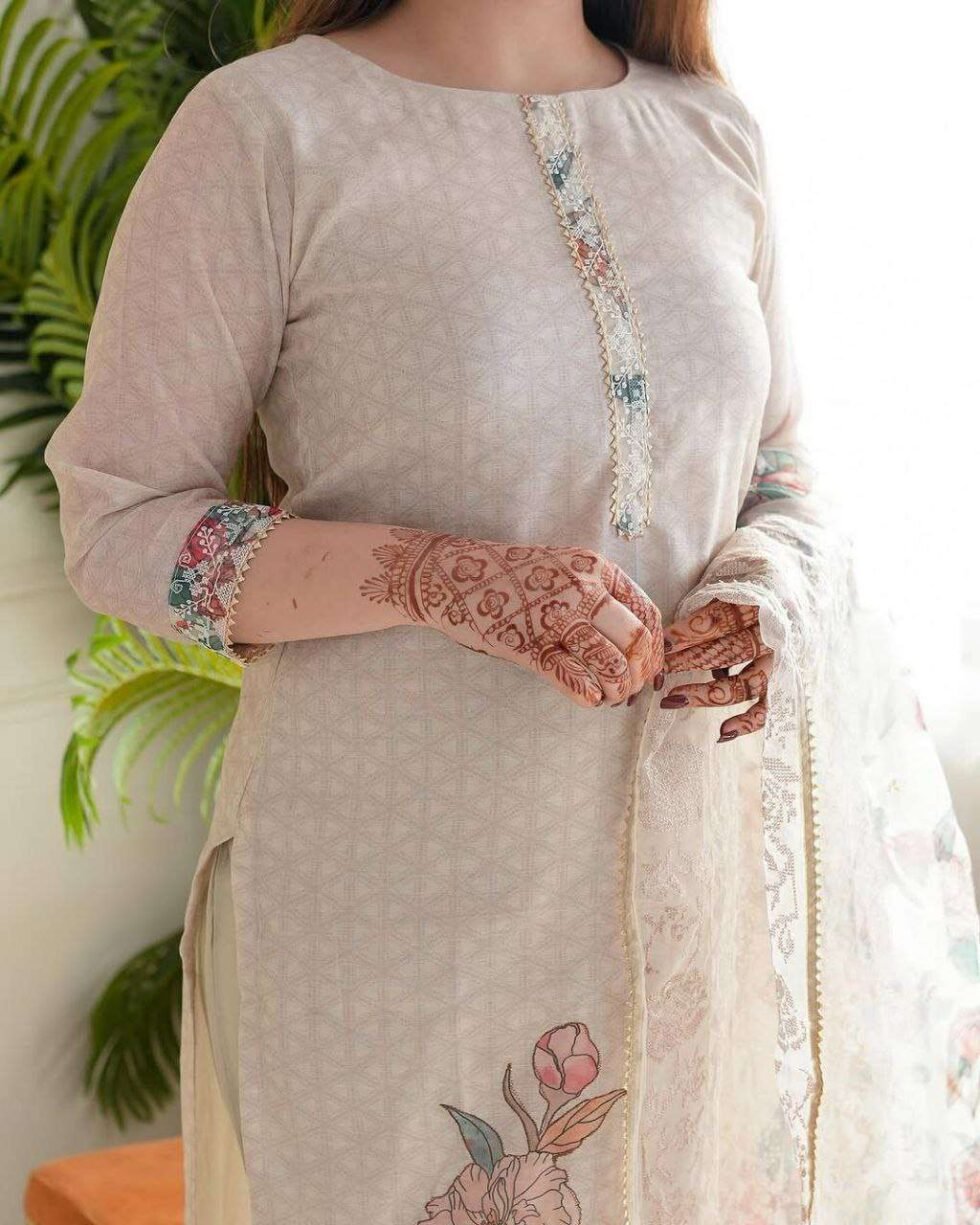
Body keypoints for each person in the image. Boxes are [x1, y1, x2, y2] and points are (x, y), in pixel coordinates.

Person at [43, 1, 980, 1222]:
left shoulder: (709, 130)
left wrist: (765, 586)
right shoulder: (269, 129)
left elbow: (778, 456)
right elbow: (119, 524)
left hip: (687, 895)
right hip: (386, 905)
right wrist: (438, 578)